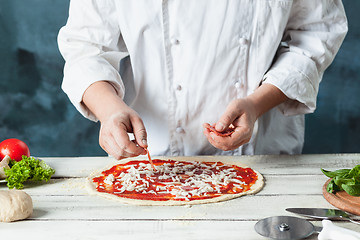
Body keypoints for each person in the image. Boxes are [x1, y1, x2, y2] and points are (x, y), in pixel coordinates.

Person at [58, 0, 348, 159]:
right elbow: (86, 46)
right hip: (151, 155)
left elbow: (316, 34)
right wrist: (110, 111)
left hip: (262, 153)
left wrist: (256, 104)